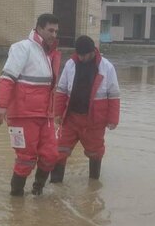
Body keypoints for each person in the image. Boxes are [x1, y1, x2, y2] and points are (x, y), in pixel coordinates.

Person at [0, 14, 61, 196]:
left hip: (45, 115)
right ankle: (16, 200)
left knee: (51, 155)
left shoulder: (50, 53)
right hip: (23, 115)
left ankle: (37, 191)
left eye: (56, 31)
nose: (53, 34)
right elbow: (6, 78)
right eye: (50, 30)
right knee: (26, 159)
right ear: (39, 28)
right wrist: (2, 106)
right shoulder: (22, 48)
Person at [51, 35, 120, 183]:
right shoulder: (70, 64)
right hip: (70, 118)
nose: (81, 58)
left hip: (94, 121)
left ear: (93, 52)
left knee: (95, 153)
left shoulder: (106, 67)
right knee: (59, 151)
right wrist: (57, 113)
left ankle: (93, 185)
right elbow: (61, 90)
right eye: (79, 55)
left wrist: (113, 119)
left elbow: (114, 94)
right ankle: (55, 184)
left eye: (85, 55)